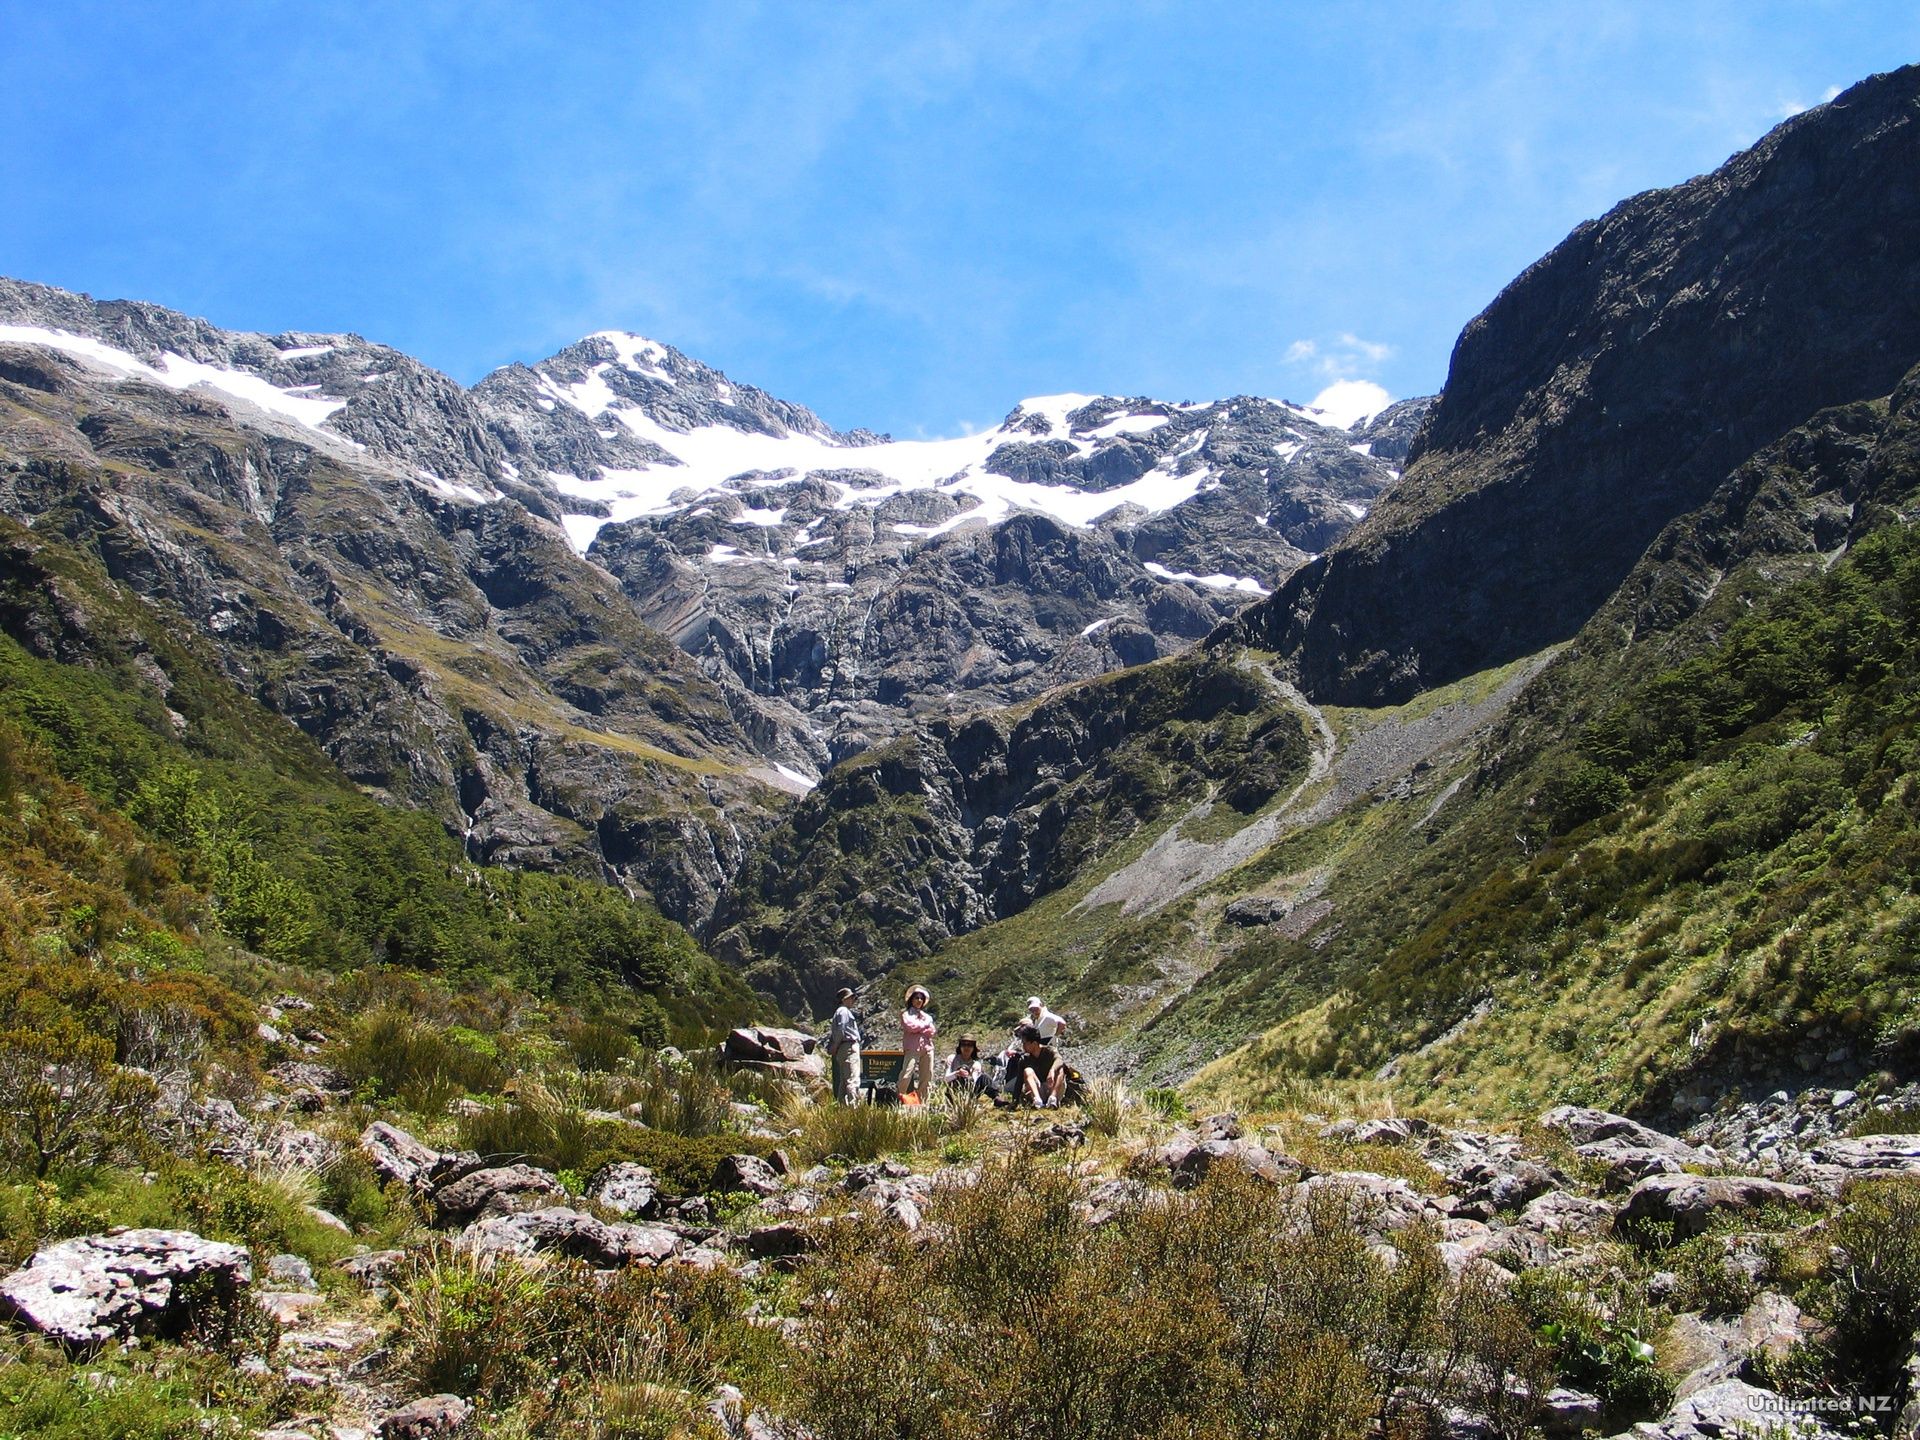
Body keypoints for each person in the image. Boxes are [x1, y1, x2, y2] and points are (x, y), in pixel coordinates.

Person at [1004, 1023, 1065, 1108]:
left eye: (1025, 1043)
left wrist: (1052, 1070)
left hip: (1052, 1088)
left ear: (1034, 1043)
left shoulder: (1049, 1051)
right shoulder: (1024, 1059)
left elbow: (1059, 1060)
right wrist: (1014, 1102)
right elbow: (1019, 1082)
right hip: (1039, 1090)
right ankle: (1038, 1101)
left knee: (1060, 1069)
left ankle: (1053, 1099)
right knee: (1027, 1071)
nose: (1023, 1046)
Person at [899, 985, 936, 1101]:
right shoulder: (906, 1014)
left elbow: (932, 1031)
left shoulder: (927, 1016)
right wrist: (924, 1026)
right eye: (917, 998)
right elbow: (910, 1026)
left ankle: (923, 1101)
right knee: (906, 1073)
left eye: (921, 998)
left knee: (927, 1075)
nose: (919, 1000)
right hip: (912, 1047)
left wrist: (920, 1028)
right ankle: (900, 1097)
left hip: (927, 1047)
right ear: (911, 999)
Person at [826, 988, 863, 1105]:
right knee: (853, 1078)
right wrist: (836, 1045)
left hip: (843, 1048)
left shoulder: (840, 1011)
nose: (854, 1000)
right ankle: (854, 1107)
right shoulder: (843, 1011)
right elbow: (841, 1030)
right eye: (852, 998)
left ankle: (841, 1106)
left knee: (844, 1079)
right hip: (849, 1046)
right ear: (844, 999)